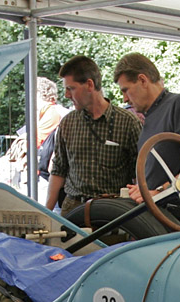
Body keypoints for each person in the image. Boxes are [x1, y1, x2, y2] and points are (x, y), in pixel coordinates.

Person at [113, 52, 180, 228]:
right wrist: (144, 190)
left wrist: (161, 191)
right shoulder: (150, 117)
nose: (124, 99)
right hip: (157, 216)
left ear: (143, 80)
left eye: (126, 90)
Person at [45, 56, 141, 214]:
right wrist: (46, 213)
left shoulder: (128, 122)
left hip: (112, 212)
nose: (67, 95)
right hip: (73, 209)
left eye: (71, 88)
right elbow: (58, 170)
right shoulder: (68, 123)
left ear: (89, 85)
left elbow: (139, 175)